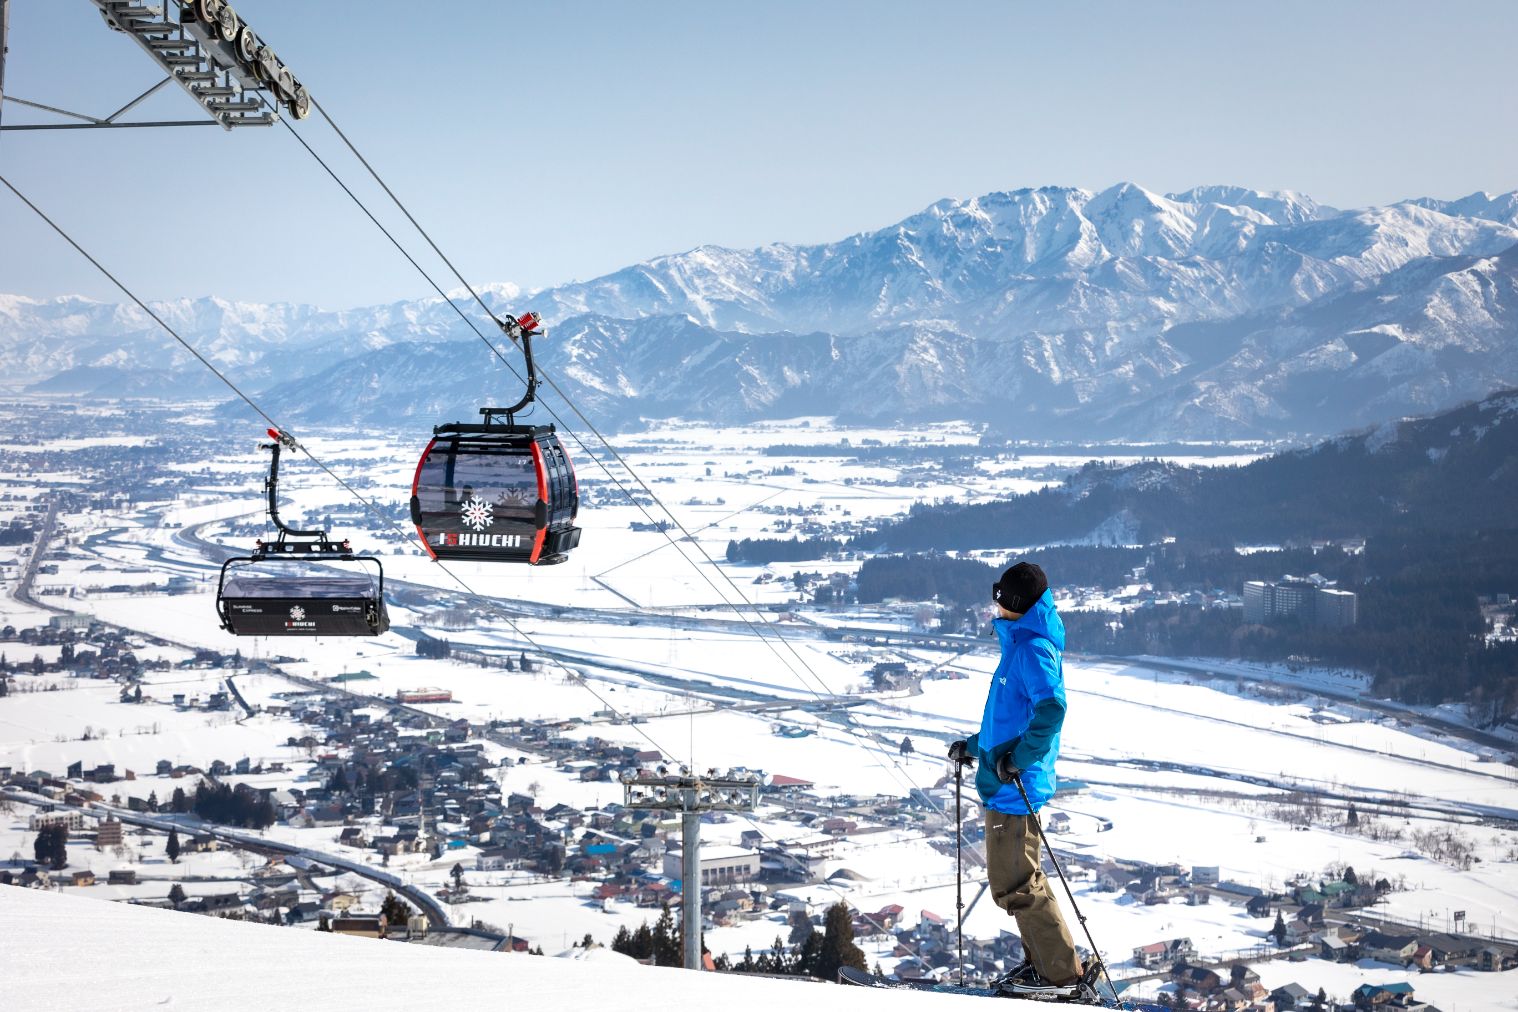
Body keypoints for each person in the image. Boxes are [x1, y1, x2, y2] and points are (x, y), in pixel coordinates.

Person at [948, 561, 1089, 999]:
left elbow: (1051, 711)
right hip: (1005, 782)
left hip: (1014, 789)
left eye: (999, 597)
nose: (994, 604)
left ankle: (1061, 977)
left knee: (1015, 886)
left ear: (1011, 603)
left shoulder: (1032, 650)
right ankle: (1044, 966)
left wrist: (1018, 760)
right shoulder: (1019, 644)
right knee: (1019, 882)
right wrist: (974, 747)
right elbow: (1008, 720)